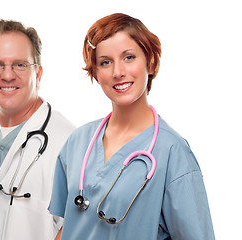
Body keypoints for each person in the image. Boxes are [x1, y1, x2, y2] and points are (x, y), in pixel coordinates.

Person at [48, 13, 215, 239]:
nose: (118, 72)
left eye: (129, 57)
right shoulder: (78, 141)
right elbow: (68, 226)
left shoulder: (173, 152)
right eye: (105, 62)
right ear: (96, 74)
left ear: (151, 62)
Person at [0, 19, 75, 240]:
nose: (8, 75)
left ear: (38, 74)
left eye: (20, 64)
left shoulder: (69, 142)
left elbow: (76, 227)